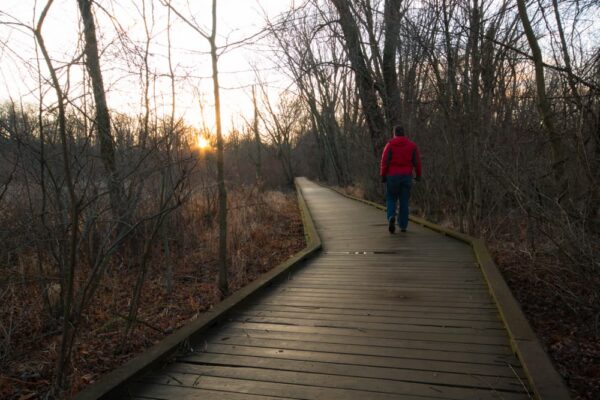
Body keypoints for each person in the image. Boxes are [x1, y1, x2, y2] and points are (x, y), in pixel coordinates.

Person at [380, 125, 422, 233]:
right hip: (406, 176)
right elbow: (417, 163)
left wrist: (383, 175)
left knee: (391, 198)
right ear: (404, 133)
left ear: (394, 133)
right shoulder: (412, 146)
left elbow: (384, 162)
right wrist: (418, 175)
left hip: (392, 176)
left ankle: (391, 217)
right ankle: (403, 225)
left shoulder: (389, 145)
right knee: (404, 201)